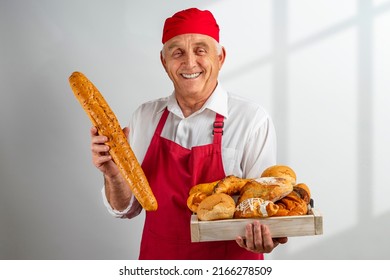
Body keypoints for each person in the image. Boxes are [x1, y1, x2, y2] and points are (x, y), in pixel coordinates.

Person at [90, 7, 288, 260]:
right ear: (164, 62)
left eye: (201, 50)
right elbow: (125, 209)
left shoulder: (251, 119)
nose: (190, 62)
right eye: (177, 52)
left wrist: (266, 236)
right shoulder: (146, 117)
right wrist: (113, 175)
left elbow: (262, 209)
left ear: (221, 58)